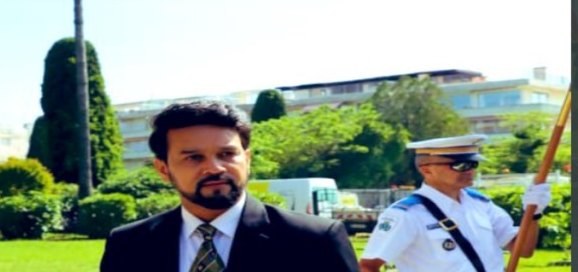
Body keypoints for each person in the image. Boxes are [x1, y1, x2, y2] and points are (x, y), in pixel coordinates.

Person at [100, 100, 358, 272]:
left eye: (226, 154)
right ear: (163, 169)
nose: (214, 168)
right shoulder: (129, 243)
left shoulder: (314, 240)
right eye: (193, 157)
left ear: (246, 159)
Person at [359, 135, 553, 272]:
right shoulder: (406, 214)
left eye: (473, 164)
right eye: (460, 165)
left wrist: (534, 213)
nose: (470, 171)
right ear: (427, 169)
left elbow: (523, 250)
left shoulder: (481, 204)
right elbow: (368, 266)